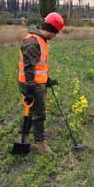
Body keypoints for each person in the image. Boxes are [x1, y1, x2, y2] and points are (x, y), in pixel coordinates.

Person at [18, 12, 64, 154]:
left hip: (37, 82)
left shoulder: (40, 40)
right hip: (32, 84)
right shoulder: (32, 42)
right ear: (50, 29)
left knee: (31, 112)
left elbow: (39, 65)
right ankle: (41, 145)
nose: (54, 36)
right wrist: (31, 88)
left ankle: (23, 137)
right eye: (54, 33)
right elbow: (29, 67)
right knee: (39, 113)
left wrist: (46, 79)